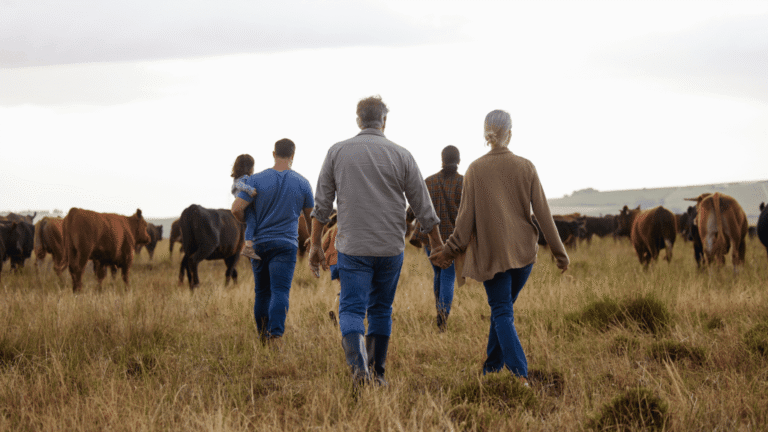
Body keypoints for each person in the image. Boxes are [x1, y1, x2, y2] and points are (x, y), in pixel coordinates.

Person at [308, 95, 443, 386]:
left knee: (352, 308)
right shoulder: (402, 155)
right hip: (390, 247)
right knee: (382, 309)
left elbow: (321, 206)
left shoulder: (337, 151)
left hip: (352, 247)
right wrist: (438, 244)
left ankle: (359, 371)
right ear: (384, 121)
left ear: (358, 120)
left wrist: (316, 244)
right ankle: (377, 374)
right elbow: (423, 206)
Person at [429, 110, 569, 386]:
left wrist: (448, 250)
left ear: (486, 134)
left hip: (492, 257)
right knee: (501, 311)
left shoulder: (475, 170)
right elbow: (543, 213)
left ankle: (520, 375)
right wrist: (559, 252)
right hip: (524, 255)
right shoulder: (526, 166)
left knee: (502, 311)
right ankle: (491, 369)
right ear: (510, 133)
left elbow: (464, 221)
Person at [231, 138, 314, 344]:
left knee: (261, 292)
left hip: (259, 243)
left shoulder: (255, 180)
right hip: (286, 245)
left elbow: (236, 208)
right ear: (293, 155)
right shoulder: (303, 183)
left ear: (273, 154)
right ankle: (275, 335)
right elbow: (312, 217)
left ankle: (262, 336)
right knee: (280, 291)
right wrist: (314, 240)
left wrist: (248, 223)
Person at [409, 145, 463, 332]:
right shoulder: (463, 183)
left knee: (438, 274)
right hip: (453, 239)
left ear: (442, 159)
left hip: (430, 238)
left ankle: (439, 313)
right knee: (448, 275)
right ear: (459, 160)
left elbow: (413, 208)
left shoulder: (428, 182)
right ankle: (442, 319)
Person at [231, 154, 260, 260]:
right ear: (249, 167)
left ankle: (250, 245)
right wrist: (250, 190)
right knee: (251, 224)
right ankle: (248, 247)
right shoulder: (243, 179)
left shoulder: (238, 179)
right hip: (246, 206)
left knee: (251, 224)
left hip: (245, 205)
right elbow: (240, 186)